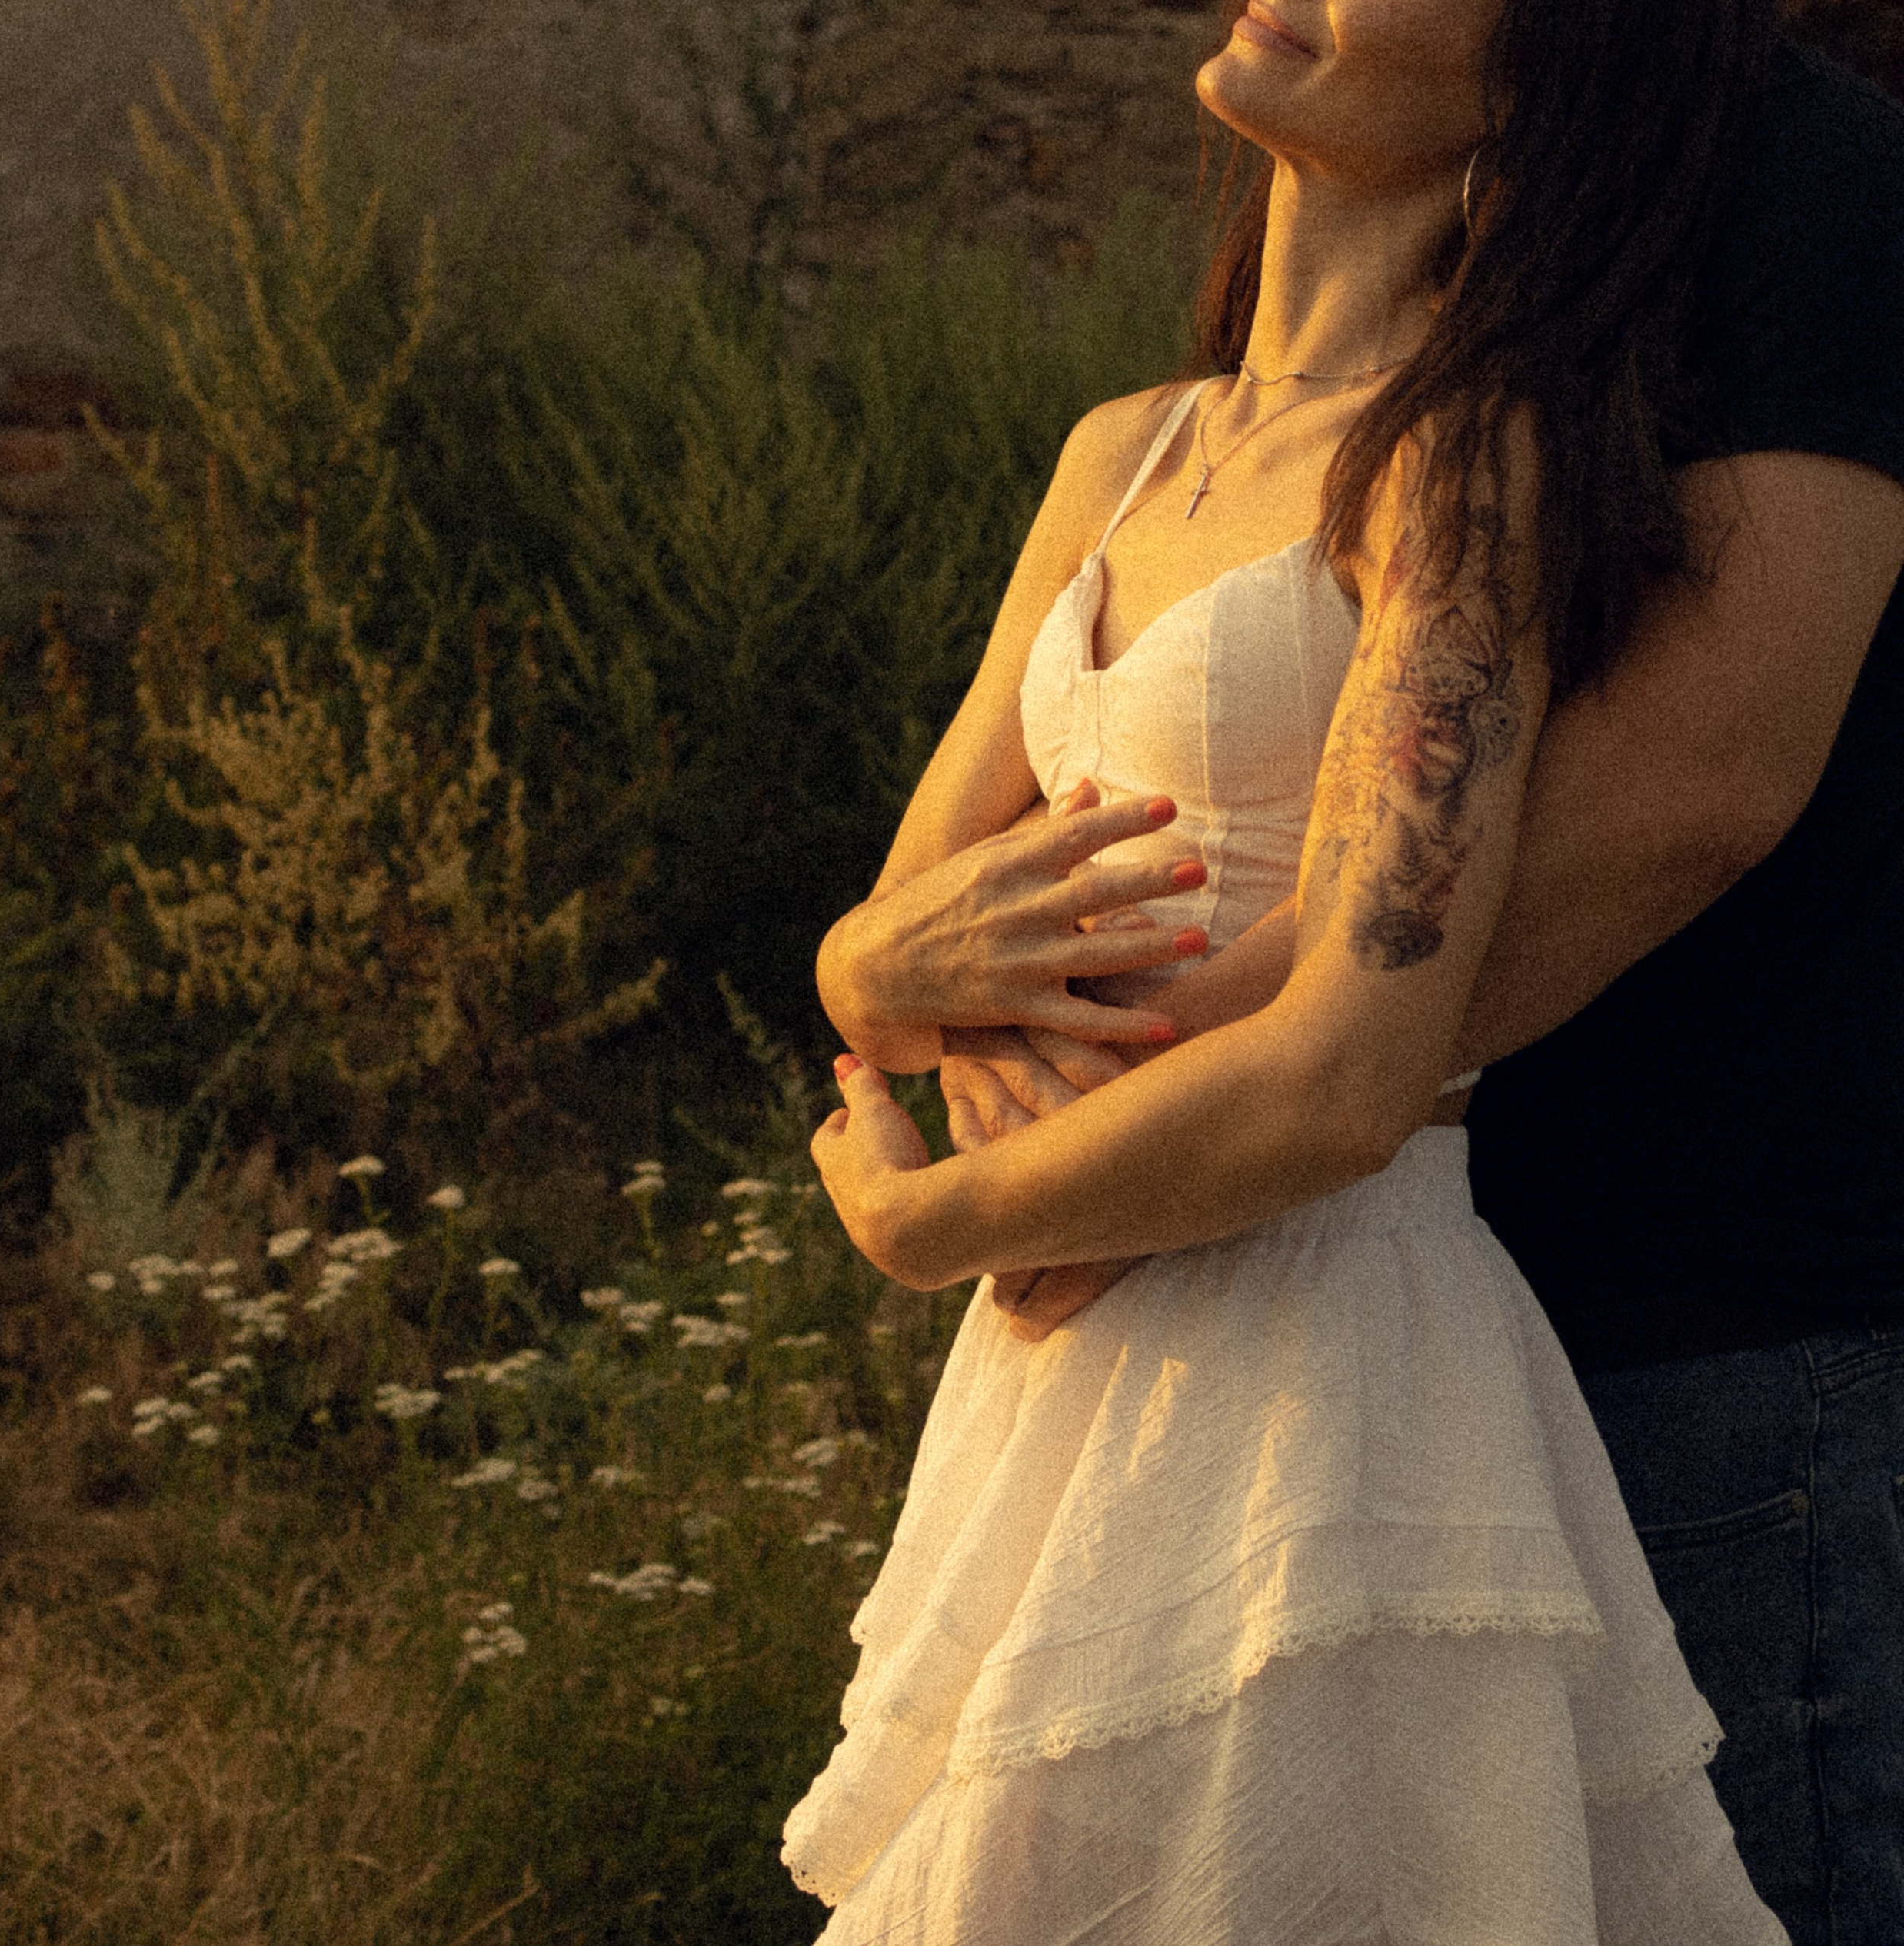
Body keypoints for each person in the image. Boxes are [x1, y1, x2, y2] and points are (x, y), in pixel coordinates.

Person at [804, 4, 1904, 1941]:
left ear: (1538, 86)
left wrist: (968, 1206)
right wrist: (864, 969)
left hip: (1388, 1334)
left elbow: (1634, 838)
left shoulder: (1492, 443)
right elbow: (911, 928)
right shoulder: (1120, 451)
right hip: (1075, 1362)